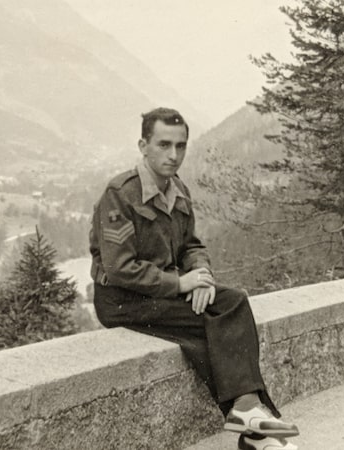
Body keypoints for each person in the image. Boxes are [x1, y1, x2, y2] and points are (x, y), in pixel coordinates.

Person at [90, 107, 299, 450]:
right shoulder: (120, 194)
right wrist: (180, 284)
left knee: (230, 302)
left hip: (160, 294)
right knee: (218, 325)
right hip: (122, 300)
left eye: (181, 146)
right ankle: (257, 430)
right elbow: (119, 268)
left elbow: (191, 246)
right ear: (143, 146)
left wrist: (201, 276)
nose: (173, 155)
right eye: (163, 145)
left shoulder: (178, 190)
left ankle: (250, 417)